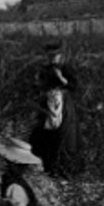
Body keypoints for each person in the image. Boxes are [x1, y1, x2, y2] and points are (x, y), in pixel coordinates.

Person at [29, 40, 82, 178]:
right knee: (43, 134)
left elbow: (74, 86)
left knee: (65, 135)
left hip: (63, 104)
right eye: (49, 55)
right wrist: (38, 85)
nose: (52, 58)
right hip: (47, 103)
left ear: (60, 55)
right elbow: (36, 87)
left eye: (55, 55)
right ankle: (46, 167)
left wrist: (61, 78)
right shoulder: (43, 69)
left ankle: (64, 170)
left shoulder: (66, 68)